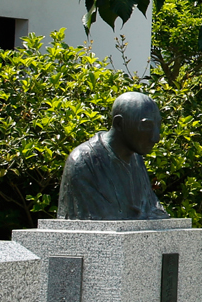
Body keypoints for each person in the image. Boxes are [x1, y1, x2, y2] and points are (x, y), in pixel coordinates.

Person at [58, 91, 171, 220]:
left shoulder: (136, 159)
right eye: (146, 126)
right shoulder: (83, 161)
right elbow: (99, 219)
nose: (156, 137)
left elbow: (154, 209)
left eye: (158, 125)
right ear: (119, 123)